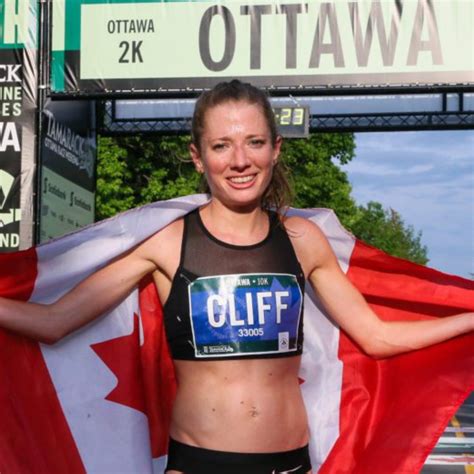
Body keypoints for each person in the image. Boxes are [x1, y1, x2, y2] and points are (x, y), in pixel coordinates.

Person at [0, 80, 472, 474]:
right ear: (199, 156)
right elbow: (54, 322)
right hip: (199, 463)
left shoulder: (303, 239)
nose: (240, 160)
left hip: (290, 463)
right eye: (221, 145)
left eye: (254, 142)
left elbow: (377, 337)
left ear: (275, 148)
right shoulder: (165, 243)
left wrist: (468, 318)